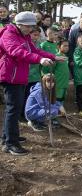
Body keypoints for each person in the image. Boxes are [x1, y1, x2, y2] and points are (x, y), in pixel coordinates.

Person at [0, 12, 64, 155]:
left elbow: (34, 50)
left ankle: (7, 137)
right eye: (28, 26)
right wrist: (39, 60)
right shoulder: (8, 35)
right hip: (11, 76)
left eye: (31, 26)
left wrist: (52, 56)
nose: (30, 29)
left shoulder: (24, 36)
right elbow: (17, 52)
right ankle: (10, 144)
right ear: (20, 24)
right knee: (13, 109)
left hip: (20, 75)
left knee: (14, 108)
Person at [23, 26, 42, 122]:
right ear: (29, 34)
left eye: (38, 35)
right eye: (34, 35)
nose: (36, 37)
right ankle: (23, 114)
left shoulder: (39, 44)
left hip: (36, 75)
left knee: (34, 95)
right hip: (27, 75)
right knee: (25, 96)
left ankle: (32, 114)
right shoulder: (25, 44)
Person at [54, 39, 70, 104]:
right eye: (65, 46)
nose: (67, 47)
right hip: (58, 83)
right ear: (58, 47)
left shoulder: (65, 56)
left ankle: (61, 112)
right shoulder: (56, 57)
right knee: (57, 99)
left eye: (68, 46)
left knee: (62, 99)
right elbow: (49, 69)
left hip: (64, 83)